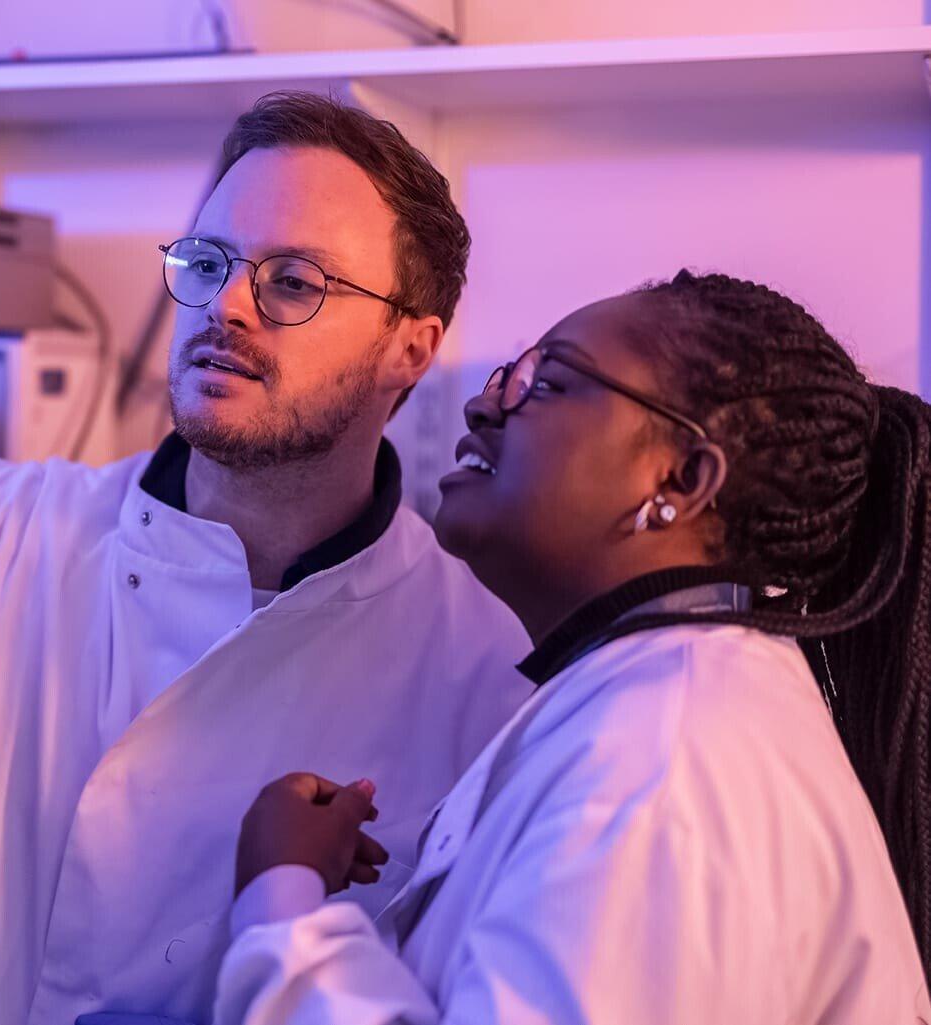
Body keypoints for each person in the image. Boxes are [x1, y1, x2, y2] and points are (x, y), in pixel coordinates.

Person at [0, 91, 531, 1024]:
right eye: (208, 261)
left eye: (295, 282)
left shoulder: (485, 673)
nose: (228, 306)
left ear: (411, 349)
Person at [217, 270, 931, 1023]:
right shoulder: (655, 704)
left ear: (681, 478)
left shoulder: (666, 751)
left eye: (544, 381)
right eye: (510, 373)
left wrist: (282, 899)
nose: (482, 401)